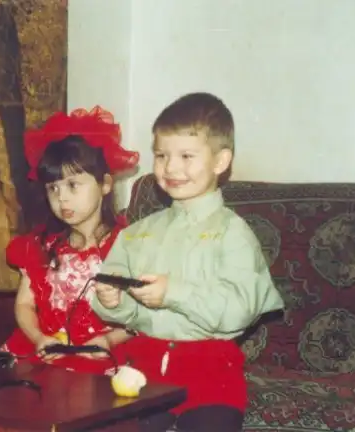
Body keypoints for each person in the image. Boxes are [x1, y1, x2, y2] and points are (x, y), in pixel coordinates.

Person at [90, 92, 285, 431]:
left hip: (211, 374)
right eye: (161, 155)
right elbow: (126, 314)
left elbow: (239, 309)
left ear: (220, 162)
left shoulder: (234, 234)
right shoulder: (136, 234)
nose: (170, 168)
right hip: (143, 371)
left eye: (186, 156)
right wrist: (114, 301)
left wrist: (174, 293)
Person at [1, 106, 140, 375]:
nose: (61, 197)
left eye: (73, 185)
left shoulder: (129, 245)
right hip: (43, 351)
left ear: (105, 184)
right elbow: (24, 304)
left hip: (100, 356)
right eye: (53, 188)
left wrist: (110, 340)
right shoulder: (41, 245)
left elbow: (141, 317)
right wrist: (38, 337)